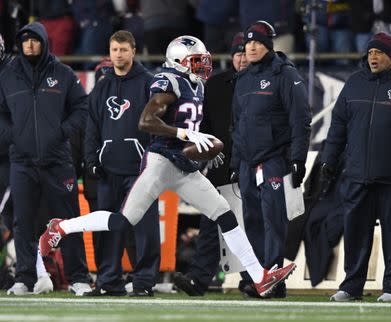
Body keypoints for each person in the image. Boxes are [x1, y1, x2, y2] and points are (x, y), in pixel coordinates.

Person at [40, 35, 296, 298]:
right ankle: (60, 228)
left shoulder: (196, 85)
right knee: (123, 221)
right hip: (160, 162)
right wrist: (184, 134)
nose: (201, 66)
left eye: (202, 60)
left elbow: (193, 126)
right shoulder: (168, 80)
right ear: (178, 61)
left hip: (184, 165)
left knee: (225, 214)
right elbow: (146, 121)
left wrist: (204, 147)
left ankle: (259, 277)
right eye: (195, 61)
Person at [322, 32, 391, 302]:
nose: (372, 57)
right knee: (355, 234)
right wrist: (329, 159)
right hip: (357, 173)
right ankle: (351, 286)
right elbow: (338, 126)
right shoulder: (354, 83)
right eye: (370, 52)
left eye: (378, 53)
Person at [0, 22, 92, 296]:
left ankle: (79, 277)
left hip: (57, 161)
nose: (29, 45)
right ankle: (25, 278)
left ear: (43, 42)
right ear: (19, 43)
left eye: (34, 40)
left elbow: (82, 106)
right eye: (25, 41)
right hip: (22, 161)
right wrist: (12, 134)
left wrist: (62, 132)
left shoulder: (62, 73)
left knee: (69, 221)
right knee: (23, 221)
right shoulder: (7, 75)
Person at [230, 20, 311, 298]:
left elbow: (301, 119)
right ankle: (258, 278)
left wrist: (298, 159)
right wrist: (234, 162)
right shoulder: (243, 77)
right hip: (247, 163)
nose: (251, 47)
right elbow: (237, 123)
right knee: (251, 220)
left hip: (274, 158)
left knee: (273, 219)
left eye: (257, 42)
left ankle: (274, 277)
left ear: (268, 45)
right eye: (247, 43)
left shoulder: (285, 74)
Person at [84, 30, 160, 297]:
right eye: (114, 50)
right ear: (110, 51)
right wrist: (91, 159)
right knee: (107, 228)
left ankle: (143, 282)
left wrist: (154, 161)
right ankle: (108, 282)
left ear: (133, 51)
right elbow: (91, 125)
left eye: (123, 50)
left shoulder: (149, 83)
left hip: (141, 172)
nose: (118, 54)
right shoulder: (102, 85)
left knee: (145, 229)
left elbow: (158, 127)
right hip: (108, 171)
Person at [173, 32, 248, 296]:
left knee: (249, 224)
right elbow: (200, 128)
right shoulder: (214, 86)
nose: (243, 58)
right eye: (238, 53)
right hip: (219, 164)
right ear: (232, 56)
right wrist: (203, 152)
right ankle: (199, 279)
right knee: (210, 223)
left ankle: (252, 279)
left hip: (251, 163)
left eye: (246, 52)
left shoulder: (264, 84)